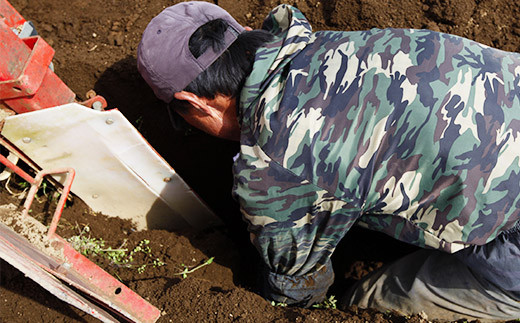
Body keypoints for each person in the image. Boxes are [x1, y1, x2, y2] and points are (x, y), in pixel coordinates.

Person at [137, 1, 520, 321]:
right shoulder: (331, 44)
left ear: (193, 103)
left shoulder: (273, 168)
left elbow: (298, 286)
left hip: (512, 238)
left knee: (363, 303)